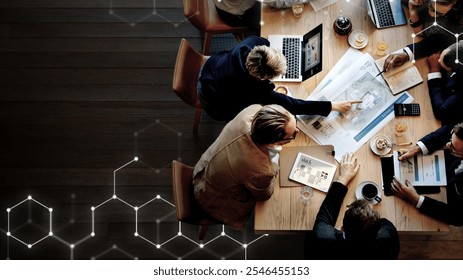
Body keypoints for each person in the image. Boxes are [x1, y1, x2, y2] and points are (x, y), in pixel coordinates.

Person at [198, 35, 360, 122]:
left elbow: (265, 42)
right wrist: (332, 106)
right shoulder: (255, 90)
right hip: (215, 102)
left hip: (211, 68)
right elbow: (293, 105)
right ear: (261, 78)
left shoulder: (248, 45)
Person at [192, 104, 298, 230]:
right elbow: (264, 195)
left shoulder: (251, 110)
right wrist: (274, 164)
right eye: (292, 136)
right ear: (274, 141)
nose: (298, 131)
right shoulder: (262, 170)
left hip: (204, 167)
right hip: (213, 198)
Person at [304, 153, 400, 260]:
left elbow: (325, 214)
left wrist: (343, 178)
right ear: (378, 231)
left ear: (341, 228)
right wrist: (367, 217)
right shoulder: (387, 241)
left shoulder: (323, 239)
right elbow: (384, 222)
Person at [392, 123, 463, 226]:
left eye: (453, 147)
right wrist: (417, 149)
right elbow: (448, 129)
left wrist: (416, 200)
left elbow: (458, 217)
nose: (447, 145)